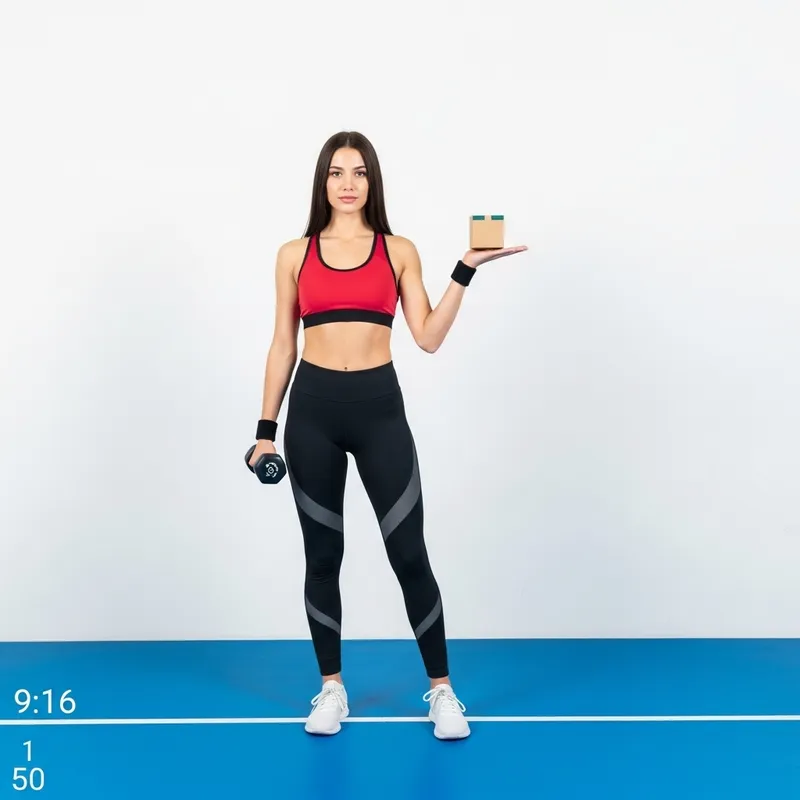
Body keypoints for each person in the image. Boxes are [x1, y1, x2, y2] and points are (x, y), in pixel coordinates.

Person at [248, 131, 527, 739]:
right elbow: (282, 345)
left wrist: (466, 269)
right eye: (336, 172)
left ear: (373, 182)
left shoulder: (398, 250)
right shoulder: (293, 255)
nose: (348, 182)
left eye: (360, 172)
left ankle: (443, 692)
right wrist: (265, 431)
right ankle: (330, 689)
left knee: (409, 554)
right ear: (322, 182)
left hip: (379, 411)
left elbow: (426, 335)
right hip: (313, 414)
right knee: (323, 557)